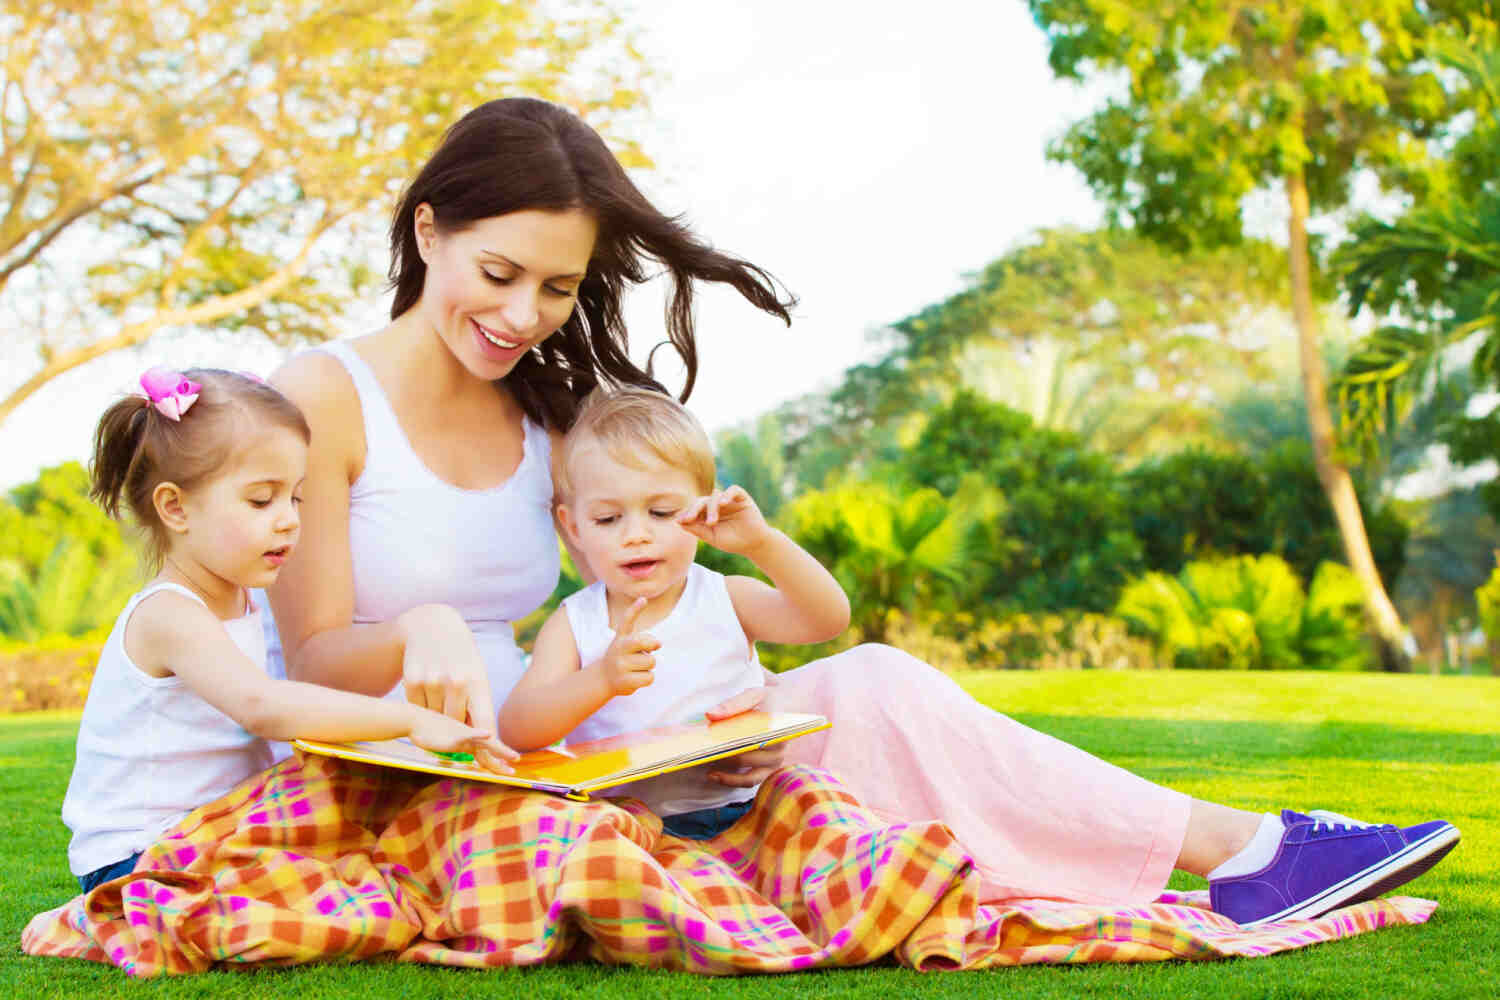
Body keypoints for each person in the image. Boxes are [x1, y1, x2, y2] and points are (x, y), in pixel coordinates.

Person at [266, 96, 1459, 928]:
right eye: (499, 273)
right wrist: (424, 630)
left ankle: (1245, 851)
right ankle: (1239, 852)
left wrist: (698, 637)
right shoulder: (324, 394)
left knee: (874, 680)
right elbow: (313, 648)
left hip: (586, 743)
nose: (525, 313)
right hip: (428, 761)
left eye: (558, 287)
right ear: (430, 230)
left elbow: (654, 555)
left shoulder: (547, 416)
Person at [62, 368, 515, 893]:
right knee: (338, 880)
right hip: (139, 856)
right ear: (176, 507)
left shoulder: (242, 596)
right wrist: (406, 720)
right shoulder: (170, 613)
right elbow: (264, 706)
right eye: (261, 500)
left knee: (364, 831)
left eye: (295, 497)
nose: (289, 520)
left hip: (215, 831)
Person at [498, 386, 849, 839]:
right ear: (575, 527)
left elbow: (827, 619)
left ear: (704, 506)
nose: (636, 535)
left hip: (747, 812)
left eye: (661, 512)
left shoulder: (727, 598)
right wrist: (601, 679)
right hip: (632, 829)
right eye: (608, 519)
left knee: (822, 805)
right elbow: (518, 728)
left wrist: (763, 544)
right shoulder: (574, 624)